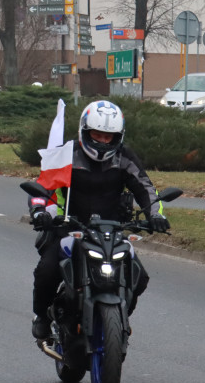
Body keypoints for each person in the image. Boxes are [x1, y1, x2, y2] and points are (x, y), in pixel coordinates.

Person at [27, 100, 170, 340]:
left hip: (111, 231)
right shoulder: (67, 154)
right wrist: (40, 212)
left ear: (118, 137)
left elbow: (144, 188)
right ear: (85, 131)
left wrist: (155, 216)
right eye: (97, 135)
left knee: (140, 277)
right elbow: (43, 187)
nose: (103, 141)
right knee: (47, 271)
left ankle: (119, 320)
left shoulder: (124, 157)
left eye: (109, 137)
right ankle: (41, 315)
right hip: (70, 228)